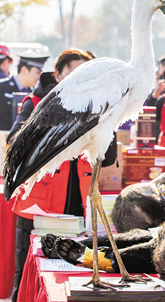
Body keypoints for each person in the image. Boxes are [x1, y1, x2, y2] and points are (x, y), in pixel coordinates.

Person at [7, 48, 117, 302]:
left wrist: (105, 120)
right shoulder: (35, 103)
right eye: (72, 71)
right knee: (26, 273)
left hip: (78, 202)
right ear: (57, 75)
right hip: (40, 205)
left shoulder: (98, 106)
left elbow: (109, 159)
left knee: (72, 272)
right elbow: (14, 143)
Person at [0, 50, 48, 173]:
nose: (39, 77)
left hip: (20, 160)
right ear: (24, 70)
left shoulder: (35, 95)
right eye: (37, 72)